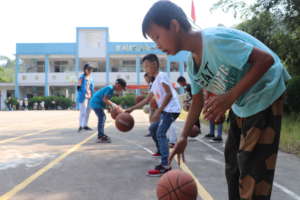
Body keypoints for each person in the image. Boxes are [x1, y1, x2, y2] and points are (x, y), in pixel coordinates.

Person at [142, 1, 291, 199]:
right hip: (242, 102)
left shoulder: (213, 42)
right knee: (233, 165)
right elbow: (197, 99)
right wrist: (183, 137)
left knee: (253, 172)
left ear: (175, 26)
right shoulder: (191, 62)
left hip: (265, 94)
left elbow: (266, 60)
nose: (157, 45)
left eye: (158, 37)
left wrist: (229, 97)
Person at [126, 54, 181, 176]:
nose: (145, 69)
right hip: (166, 110)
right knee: (153, 128)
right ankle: (162, 151)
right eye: (144, 67)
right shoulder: (155, 81)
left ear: (154, 64)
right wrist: (131, 109)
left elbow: (169, 94)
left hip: (171, 110)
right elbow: (146, 100)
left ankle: (165, 165)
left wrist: (158, 110)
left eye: (146, 66)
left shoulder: (161, 76)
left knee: (161, 133)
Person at [90, 78, 127, 143]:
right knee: (102, 118)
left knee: (102, 118)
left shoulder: (111, 89)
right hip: (95, 103)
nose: (121, 90)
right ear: (118, 85)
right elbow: (105, 99)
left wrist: (110, 108)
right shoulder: (110, 89)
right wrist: (114, 105)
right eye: (121, 88)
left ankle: (101, 135)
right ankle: (100, 136)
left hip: (97, 103)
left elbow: (105, 100)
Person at [77, 64, 94, 132]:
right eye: (88, 69)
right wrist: (82, 93)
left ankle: (85, 125)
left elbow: (92, 87)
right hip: (83, 97)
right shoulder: (81, 77)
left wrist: (92, 95)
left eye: (90, 69)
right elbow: (78, 87)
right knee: (83, 112)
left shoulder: (91, 78)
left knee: (88, 112)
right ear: (85, 69)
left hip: (90, 97)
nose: (90, 70)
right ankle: (81, 126)